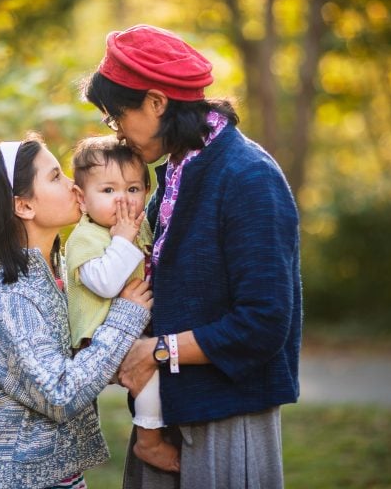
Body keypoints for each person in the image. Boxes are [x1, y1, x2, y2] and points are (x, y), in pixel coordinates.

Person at [82, 24, 302, 488]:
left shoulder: (247, 176)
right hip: (172, 409)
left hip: (228, 414)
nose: (116, 131)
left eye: (117, 115)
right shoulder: (178, 172)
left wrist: (158, 352)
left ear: (157, 102)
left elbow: (263, 322)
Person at [0, 134, 152, 489]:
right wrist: (125, 317)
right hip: (15, 475)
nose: (75, 186)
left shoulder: (55, 271)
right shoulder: (11, 295)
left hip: (52, 472)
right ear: (24, 206)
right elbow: (60, 393)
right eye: (55, 177)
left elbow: (72, 363)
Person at [66, 135, 179, 473]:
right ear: (82, 199)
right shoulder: (83, 237)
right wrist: (123, 240)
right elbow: (105, 282)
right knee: (151, 372)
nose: (122, 200)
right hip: (97, 339)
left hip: (133, 331)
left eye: (133, 189)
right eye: (108, 190)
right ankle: (149, 442)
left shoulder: (138, 226)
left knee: (158, 365)